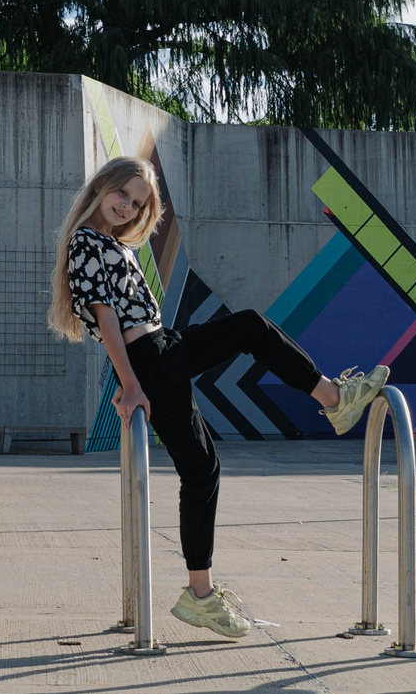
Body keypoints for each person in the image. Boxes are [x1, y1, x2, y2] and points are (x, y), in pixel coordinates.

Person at [48, 156, 391, 641]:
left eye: (137, 203)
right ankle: (200, 594)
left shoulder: (109, 243)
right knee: (201, 469)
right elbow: (106, 321)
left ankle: (334, 399)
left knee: (249, 327)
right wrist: (130, 385)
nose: (126, 206)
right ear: (102, 187)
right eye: (122, 194)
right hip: (147, 360)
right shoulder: (87, 242)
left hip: (164, 348)